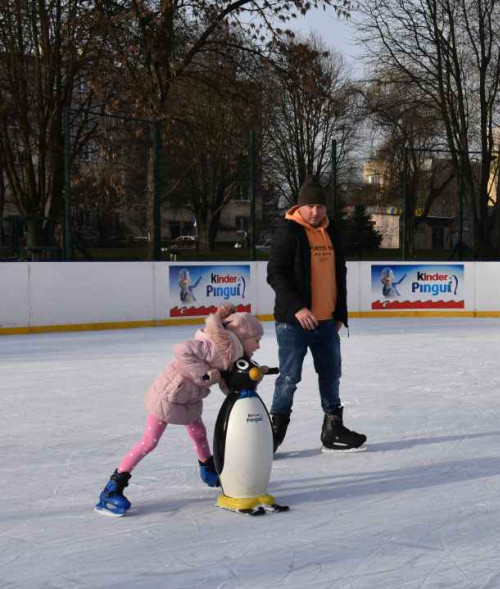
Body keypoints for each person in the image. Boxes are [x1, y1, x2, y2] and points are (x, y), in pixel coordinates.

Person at [95, 306, 263, 516]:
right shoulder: (213, 346)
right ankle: (112, 487)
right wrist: (203, 375)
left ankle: (208, 470)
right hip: (167, 393)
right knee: (149, 441)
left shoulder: (232, 353)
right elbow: (182, 350)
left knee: (199, 433)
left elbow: (225, 383)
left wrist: (245, 382)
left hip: (188, 397)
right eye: (256, 340)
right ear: (243, 336)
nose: (258, 345)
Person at [267, 176, 367, 453]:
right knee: (289, 377)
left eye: (321, 206)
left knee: (331, 373)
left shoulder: (332, 231)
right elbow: (275, 273)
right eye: (310, 206)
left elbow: (339, 274)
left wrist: (339, 315)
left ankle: (333, 428)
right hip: (294, 323)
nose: (316, 212)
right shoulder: (288, 231)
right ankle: (272, 435)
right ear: (299, 207)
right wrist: (298, 307)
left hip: (326, 322)